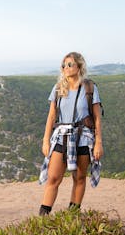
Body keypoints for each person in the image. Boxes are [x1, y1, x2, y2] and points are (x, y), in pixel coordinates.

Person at [38, 52, 104, 216]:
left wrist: (98, 143)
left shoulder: (90, 88)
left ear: (79, 66)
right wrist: (46, 140)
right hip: (61, 136)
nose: (65, 68)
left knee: (79, 178)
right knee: (53, 178)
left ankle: (71, 216)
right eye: (63, 65)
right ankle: (42, 219)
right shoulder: (59, 88)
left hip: (83, 138)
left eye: (70, 64)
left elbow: (96, 117)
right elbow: (51, 116)